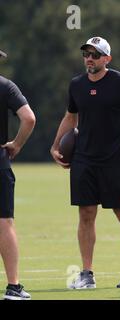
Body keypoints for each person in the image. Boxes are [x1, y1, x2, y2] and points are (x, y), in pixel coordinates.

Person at [50, 37, 120, 289]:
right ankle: (86, 273)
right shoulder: (76, 85)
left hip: (115, 160)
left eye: (95, 55)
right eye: (86, 54)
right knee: (86, 214)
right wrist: (56, 145)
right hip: (83, 160)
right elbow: (69, 117)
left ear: (107, 59)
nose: (90, 58)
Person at [1, 49, 36, 300]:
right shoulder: (6, 86)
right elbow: (29, 118)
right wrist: (17, 144)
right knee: (4, 223)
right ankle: (13, 287)